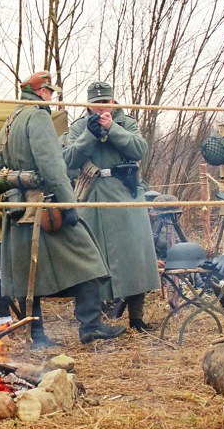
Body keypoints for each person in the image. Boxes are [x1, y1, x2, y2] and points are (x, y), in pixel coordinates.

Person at [0, 71, 126, 347]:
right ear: (42, 92)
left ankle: (36, 334)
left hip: (17, 207)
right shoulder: (38, 116)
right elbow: (53, 167)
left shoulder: (11, 120)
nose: (52, 97)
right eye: (50, 92)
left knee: (27, 273)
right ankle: (90, 326)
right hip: (45, 207)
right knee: (88, 257)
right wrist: (69, 205)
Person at [63, 82, 161, 332]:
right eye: (96, 103)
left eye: (106, 102)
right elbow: (68, 160)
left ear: (113, 102)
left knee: (135, 256)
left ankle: (137, 317)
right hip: (92, 194)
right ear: (88, 105)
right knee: (92, 259)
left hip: (125, 193)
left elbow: (139, 149)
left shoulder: (126, 122)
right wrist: (89, 135)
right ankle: (94, 322)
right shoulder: (78, 127)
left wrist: (112, 129)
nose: (101, 108)